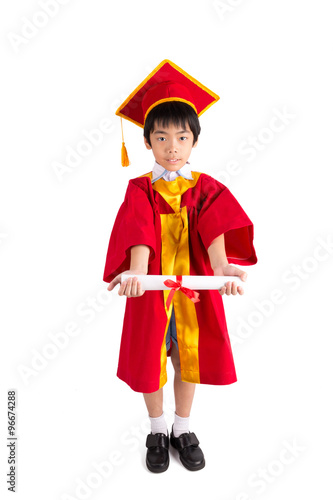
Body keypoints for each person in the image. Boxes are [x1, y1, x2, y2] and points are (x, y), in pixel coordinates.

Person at [103, 59, 257, 473]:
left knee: (189, 357)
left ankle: (182, 428)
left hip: (194, 289)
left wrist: (223, 267)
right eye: (162, 136)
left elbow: (215, 227)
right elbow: (138, 232)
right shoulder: (140, 189)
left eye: (182, 136)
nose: (172, 146)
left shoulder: (205, 188)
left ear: (194, 141)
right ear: (147, 142)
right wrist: (137, 272)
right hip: (152, 290)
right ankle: (156, 429)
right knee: (150, 361)